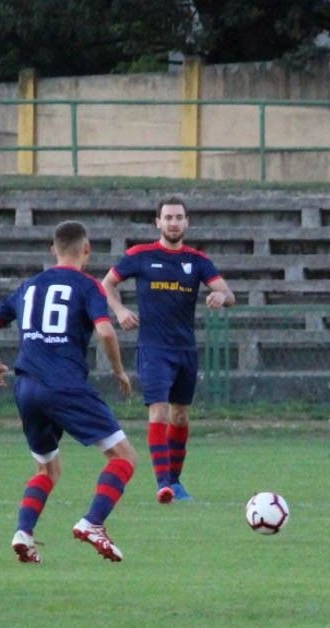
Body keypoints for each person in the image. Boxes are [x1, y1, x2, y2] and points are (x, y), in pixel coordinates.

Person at [0, 221, 136, 564]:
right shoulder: (90, 285)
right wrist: (119, 371)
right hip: (65, 386)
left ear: (53, 249)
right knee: (124, 458)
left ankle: (24, 533)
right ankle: (93, 523)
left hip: (26, 386)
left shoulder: (28, 286)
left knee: (47, 469)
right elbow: (106, 333)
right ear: (87, 249)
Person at [101, 196, 235, 504]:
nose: (173, 223)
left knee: (180, 417)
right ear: (158, 222)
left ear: (187, 223)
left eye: (179, 217)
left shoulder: (197, 260)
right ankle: (163, 483)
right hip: (153, 349)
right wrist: (120, 311)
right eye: (168, 217)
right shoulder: (140, 255)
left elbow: (227, 293)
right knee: (158, 411)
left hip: (185, 349)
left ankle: (175, 481)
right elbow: (106, 284)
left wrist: (220, 297)